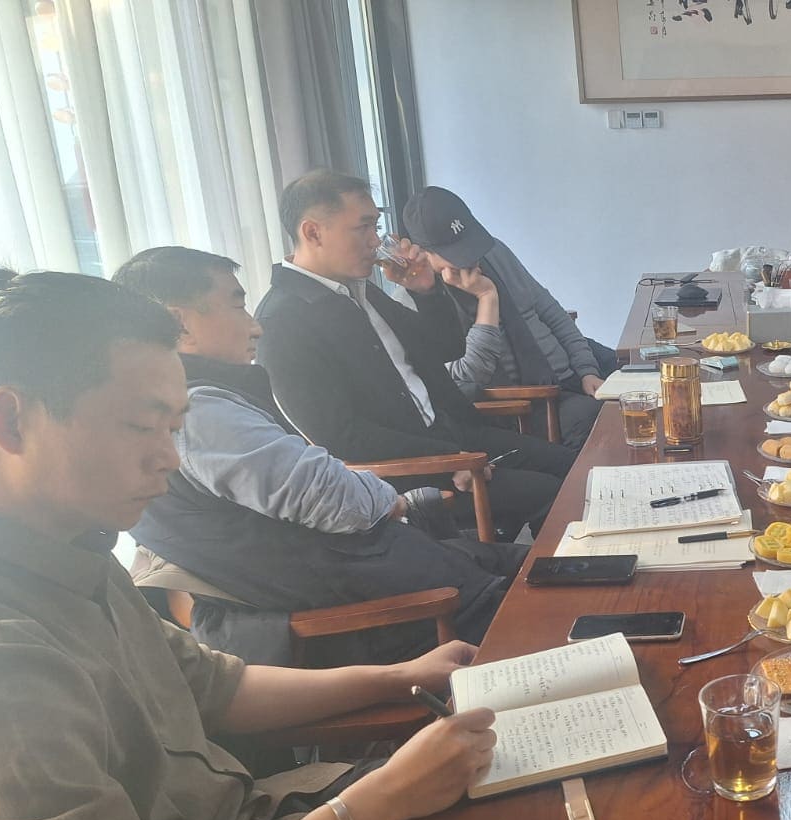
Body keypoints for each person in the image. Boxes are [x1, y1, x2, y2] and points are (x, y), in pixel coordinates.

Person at [0, 268, 497, 820]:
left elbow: (216, 685)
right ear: (10, 422)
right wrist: (380, 801)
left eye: (173, 429)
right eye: (141, 426)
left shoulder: (71, 549)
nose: (169, 458)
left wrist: (399, 675)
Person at [114, 246, 527, 666]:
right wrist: (395, 501)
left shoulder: (160, 414)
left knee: (536, 561)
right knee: (547, 586)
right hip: (382, 612)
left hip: (363, 574)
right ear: (180, 324)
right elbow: (329, 495)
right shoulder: (200, 414)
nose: (254, 327)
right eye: (237, 306)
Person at [255, 170, 575, 540]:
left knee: (574, 467)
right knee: (554, 493)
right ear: (313, 232)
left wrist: (426, 292)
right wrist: (445, 460)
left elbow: (447, 349)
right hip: (411, 472)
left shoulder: (359, 291)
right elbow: (340, 436)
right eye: (363, 228)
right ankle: (556, 572)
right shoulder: (283, 321)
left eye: (376, 226)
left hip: (457, 437)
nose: (376, 241)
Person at [401, 186, 611, 450]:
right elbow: (470, 373)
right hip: (529, 404)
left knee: (635, 375)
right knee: (597, 418)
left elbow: (551, 312)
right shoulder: (417, 302)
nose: (470, 258)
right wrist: (487, 296)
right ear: (422, 252)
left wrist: (587, 370)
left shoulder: (494, 253)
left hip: (568, 373)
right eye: (456, 253)